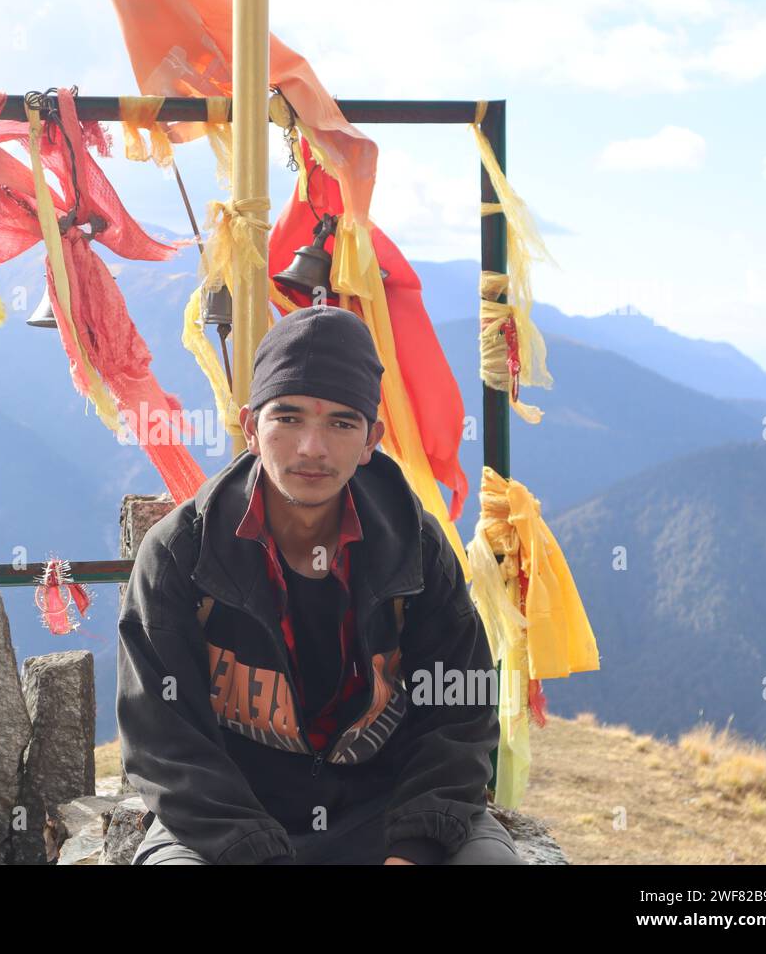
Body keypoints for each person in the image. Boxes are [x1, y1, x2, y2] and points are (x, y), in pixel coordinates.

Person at [116, 305, 524, 865]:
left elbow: (460, 714)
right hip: (229, 823)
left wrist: (414, 846)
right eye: (287, 418)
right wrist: (255, 853)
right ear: (250, 427)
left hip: (388, 811)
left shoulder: (416, 548)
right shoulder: (181, 553)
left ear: (370, 440)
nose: (313, 447)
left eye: (341, 422)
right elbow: (163, 742)